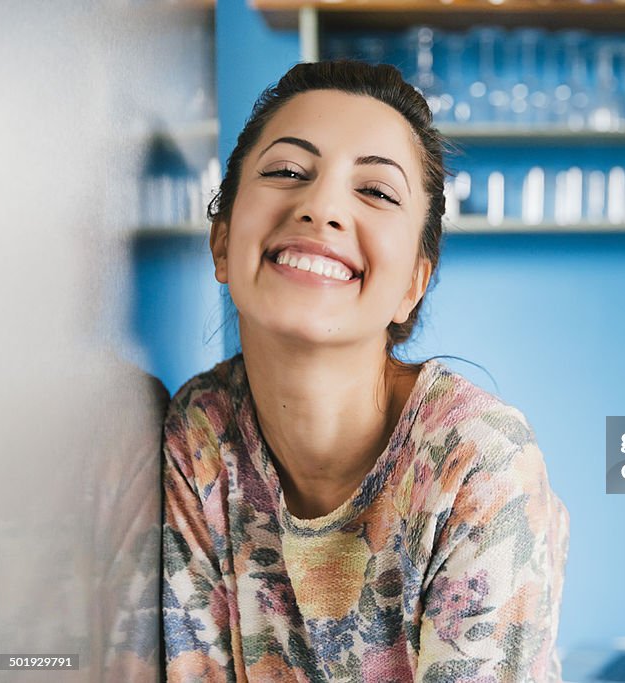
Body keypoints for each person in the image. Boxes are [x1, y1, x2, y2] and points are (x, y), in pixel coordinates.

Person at [161, 60, 569, 682]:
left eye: (376, 191)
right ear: (222, 241)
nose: (320, 205)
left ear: (412, 284)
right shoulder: (202, 435)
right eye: (288, 172)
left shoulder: (478, 462)